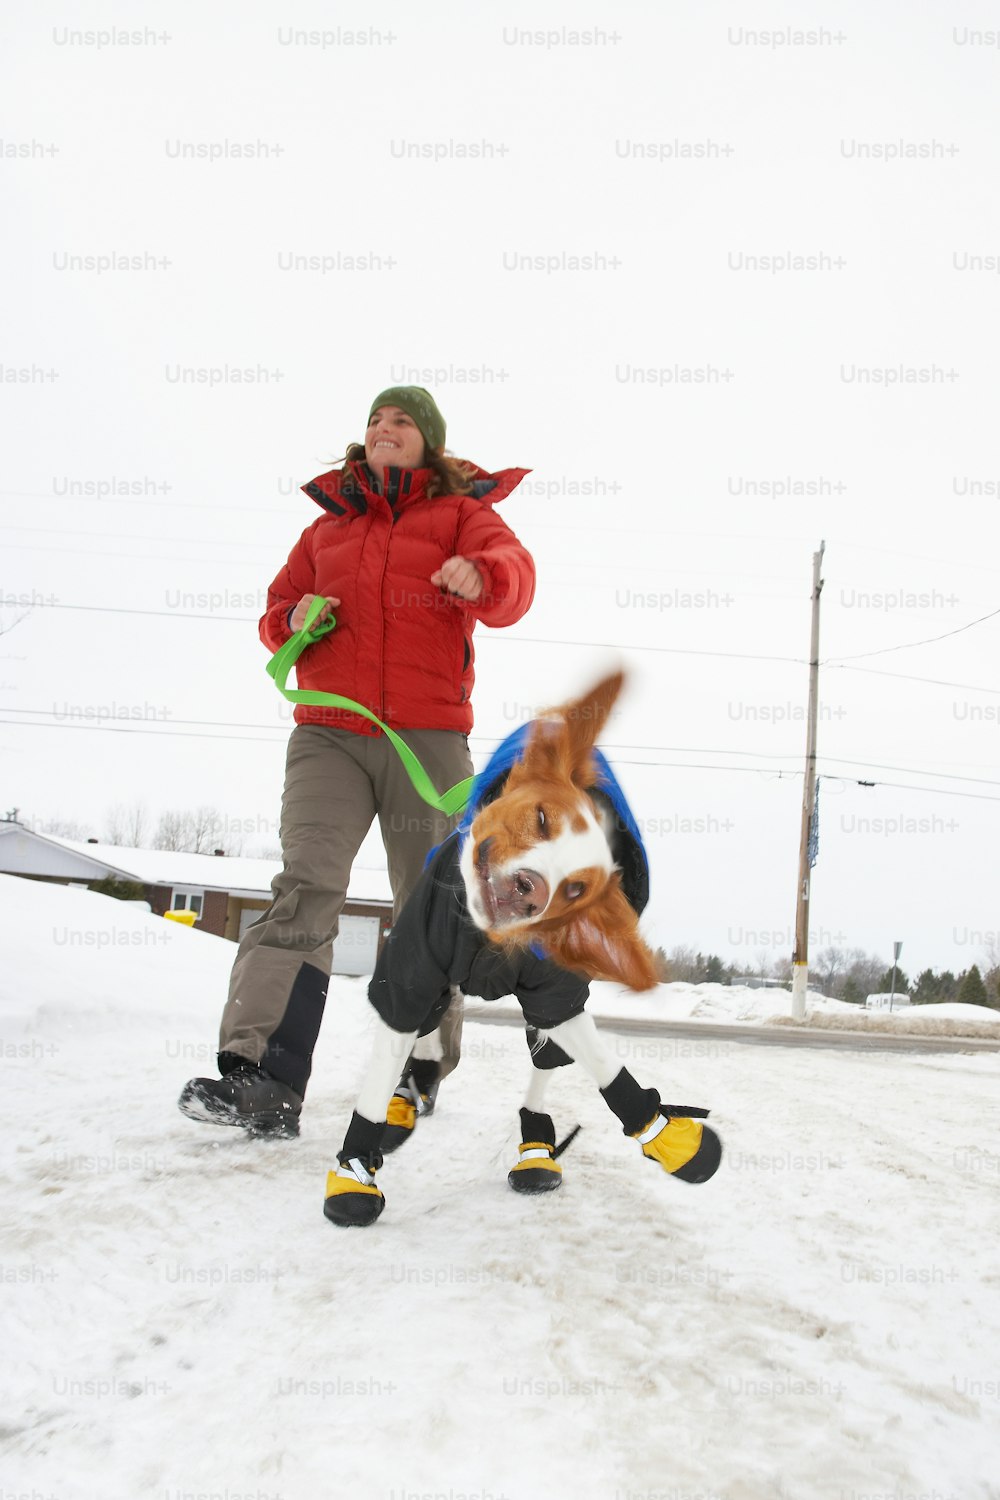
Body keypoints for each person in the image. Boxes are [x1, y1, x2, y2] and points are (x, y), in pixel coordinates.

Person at [178, 386, 536, 1137]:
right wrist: (294, 620)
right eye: (375, 419)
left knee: (427, 901)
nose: (384, 428)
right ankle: (263, 1080)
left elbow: (514, 578)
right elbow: (275, 615)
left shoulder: (461, 515)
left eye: (401, 420)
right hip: (329, 734)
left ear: (428, 442)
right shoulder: (325, 532)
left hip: (427, 738)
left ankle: (417, 1068)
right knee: (304, 888)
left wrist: (482, 575)